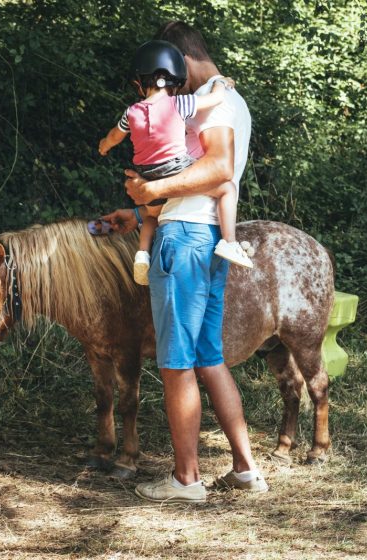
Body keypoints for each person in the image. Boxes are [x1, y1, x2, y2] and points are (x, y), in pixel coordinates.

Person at [102, 21, 268, 503]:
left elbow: (217, 169)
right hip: (209, 234)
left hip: (186, 243)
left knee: (176, 365)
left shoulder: (214, 96)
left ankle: (186, 480)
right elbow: (195, 179)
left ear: (178, 60)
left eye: (170, 75)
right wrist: (140, 212)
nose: (167, 89)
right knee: (207, 358)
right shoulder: (229, 99)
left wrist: (151, 190)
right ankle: (244, 469)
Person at [98, 40, 252, 285]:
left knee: (153, 214)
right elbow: (213, 100)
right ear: (176, 80)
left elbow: (115, 136)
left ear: (139, 84)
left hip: (145, 171)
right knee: (227, 188)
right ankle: (230, 241)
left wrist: (104, 145)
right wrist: (221, 83)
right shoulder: (179, 103)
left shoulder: (131, 111)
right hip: (174, 169)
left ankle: (142, 254)